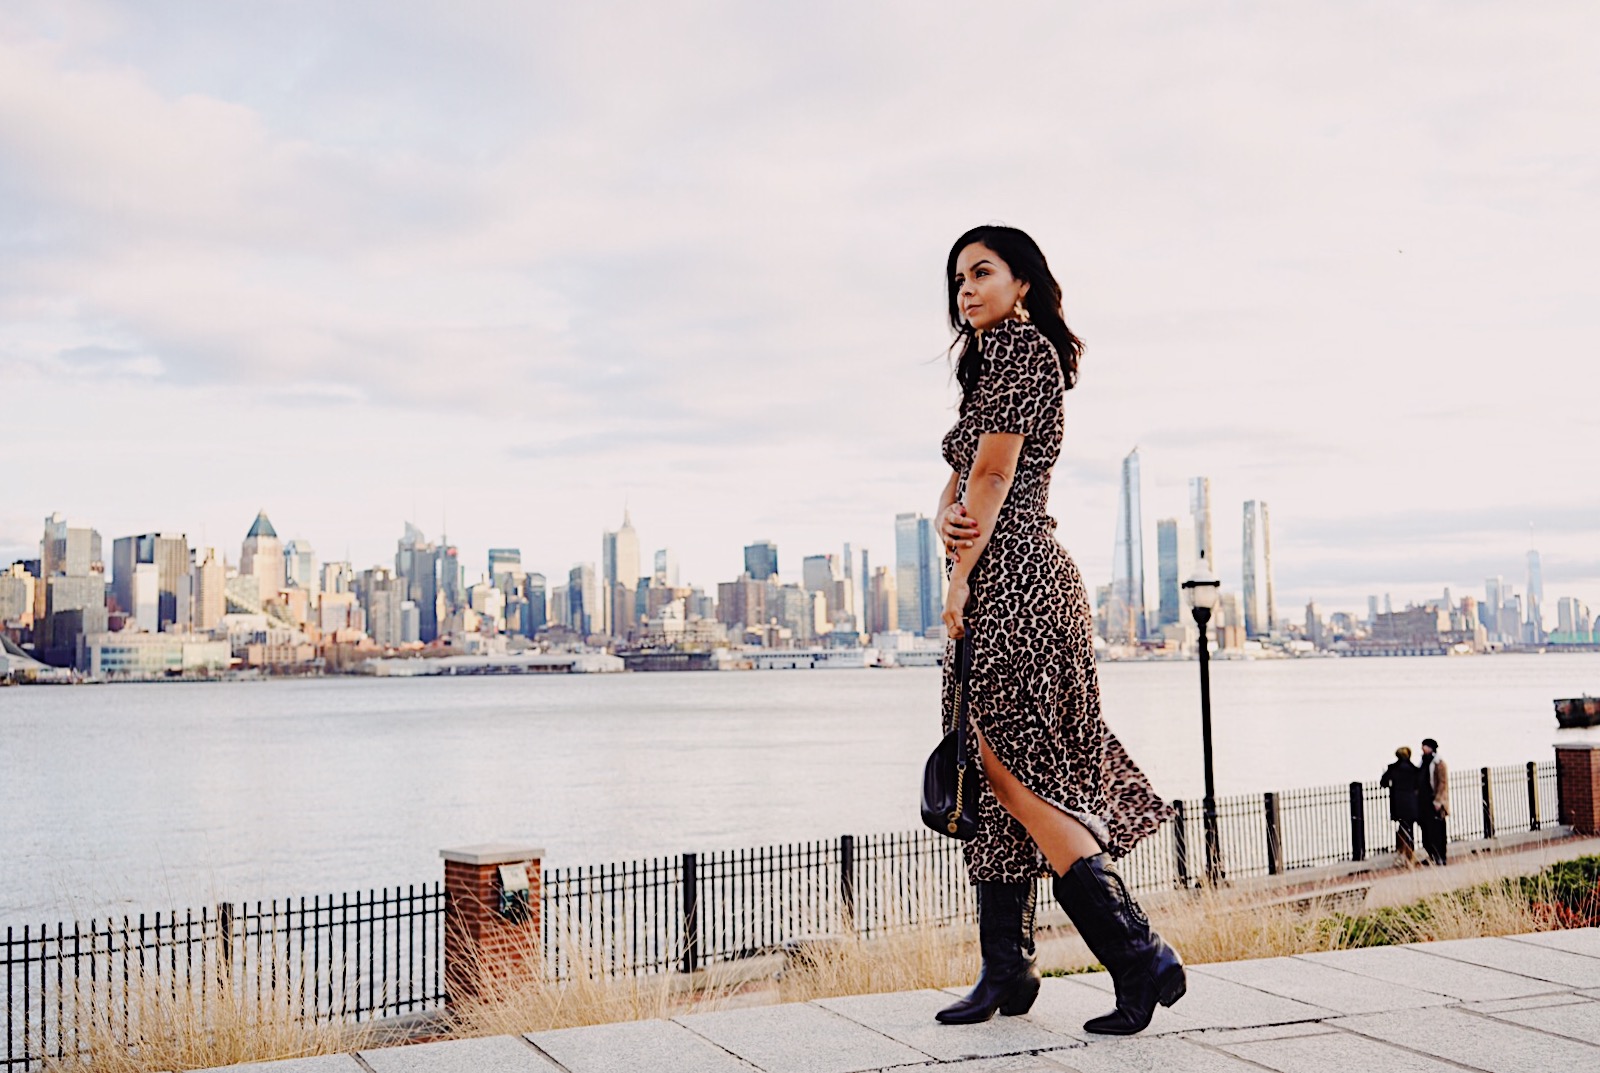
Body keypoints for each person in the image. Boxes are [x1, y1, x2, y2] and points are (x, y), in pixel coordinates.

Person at [933, 225, 1180, 1035]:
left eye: (982, 272)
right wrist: (947, 517)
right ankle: (1007, 968)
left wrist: (964, 573)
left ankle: (1138, 954)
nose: (966, 289)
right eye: (958, 278)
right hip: (1001, 578)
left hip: (1019, 586)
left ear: (1023, 283)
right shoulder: (992, 362)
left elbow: (997, 472)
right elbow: (964, 479)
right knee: (993, 774)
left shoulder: (1022, 352)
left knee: (1015, 774)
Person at [1379, 746, 1421, 863]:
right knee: (1409, 829)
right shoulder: (1414, 769)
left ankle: (1401, 851)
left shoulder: (1393, 769)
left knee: (1402, 827)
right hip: (1412, 803)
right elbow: (1419, 785)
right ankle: (1410, 853)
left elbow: (1383, 783)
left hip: (1398, 804)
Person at [1418, 738, 1449, 864]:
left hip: (1435, 802)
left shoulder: (1439, 763)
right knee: (1427, 831)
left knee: (1438, 831)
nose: (1422, 748)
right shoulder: (1423, 762)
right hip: (1424, 802)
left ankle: (1440, 857)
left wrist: (1438, 801)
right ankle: (1432, 855)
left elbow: (1443, 783)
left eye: (1424, 746)